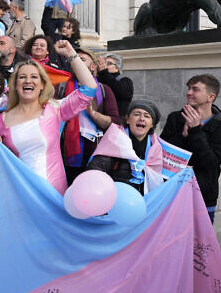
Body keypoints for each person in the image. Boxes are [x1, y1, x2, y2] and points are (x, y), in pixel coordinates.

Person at [0, 41, 97, 194]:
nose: (28, 81)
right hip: (21, 196)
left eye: (34, 77)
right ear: (15, 85)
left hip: (53, 196)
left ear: (42, 84)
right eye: (22, 77)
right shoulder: (0, 122)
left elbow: (89, 88)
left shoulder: (54, 109)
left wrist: (70, 54)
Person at [160, 74, 221, 224]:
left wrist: (195, 132)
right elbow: (163, 153)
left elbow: (210, 163)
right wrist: (183, 135)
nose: (189, 92)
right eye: (188, 88)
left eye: (195, 89)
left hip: (202, 196)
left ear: (210, 97)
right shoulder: (175, 118)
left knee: (199, 245)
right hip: (171, 191)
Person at [63, 47, 121, 184]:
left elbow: (115, 123)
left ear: (93, 66)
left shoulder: (104, 89)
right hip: (65, 153)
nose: (76, 62)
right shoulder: (61, 88)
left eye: (82, 60)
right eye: (74, 59)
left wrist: (92, 113)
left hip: (94, 154)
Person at [87, 99, 163, 194]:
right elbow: (95, 171)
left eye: (147, 116)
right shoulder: (115, 139)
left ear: (152, 124)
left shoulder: (156, 148)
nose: (141, 118)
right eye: (136, 114)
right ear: (127, 119)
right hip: (114, 200)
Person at [97, 53, 133, 117]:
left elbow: (119, 91)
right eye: (103, 63)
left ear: (117, 68)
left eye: (109, 63)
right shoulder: (98, 79)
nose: (104, 66)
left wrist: (104, 72)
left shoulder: (125, 81)